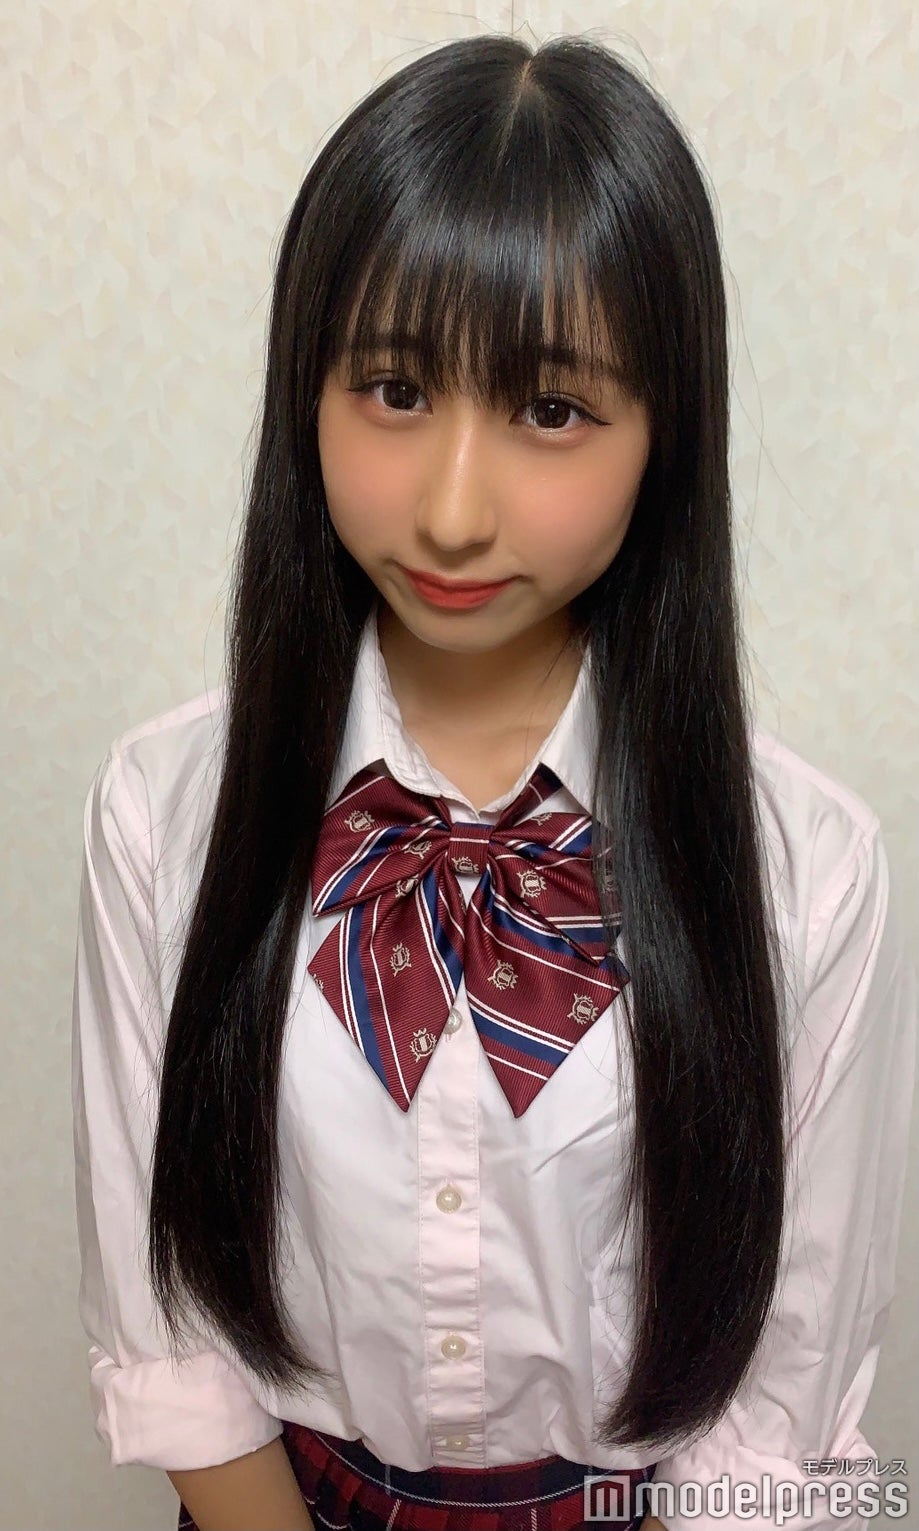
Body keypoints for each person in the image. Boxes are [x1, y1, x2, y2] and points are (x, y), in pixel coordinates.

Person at [69, 32, 916, 1531]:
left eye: (551, 410)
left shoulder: (813, 869)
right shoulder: (161, 812)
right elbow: (173, 1326)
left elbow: (783, 1417)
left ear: (666, 437)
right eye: (394, 389)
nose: (454, 512)